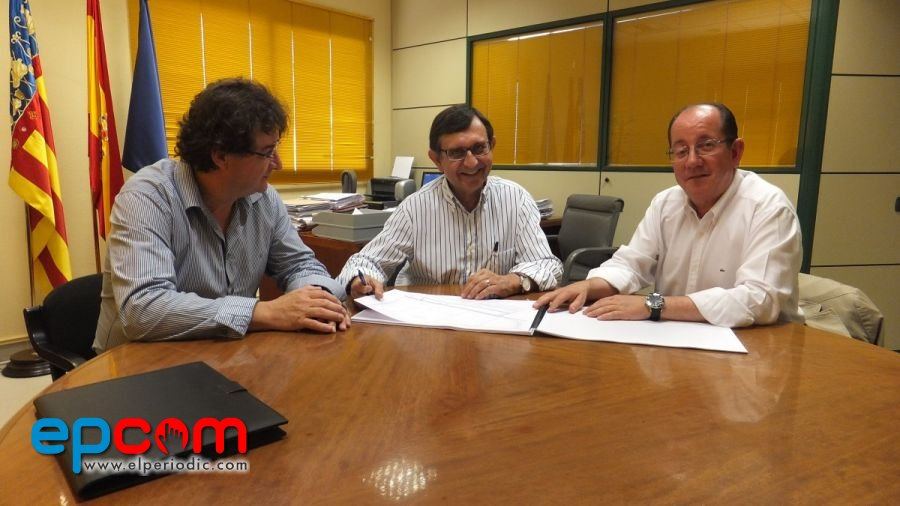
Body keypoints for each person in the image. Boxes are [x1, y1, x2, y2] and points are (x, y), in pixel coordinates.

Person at [94, 78, 348, 352]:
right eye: (267, 152)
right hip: (136, 362)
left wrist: (319, 301)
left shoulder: (263, 199)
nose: (278, 164)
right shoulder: (147, 197)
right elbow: (143, 309)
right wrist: (263, 312)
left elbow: (299, 265)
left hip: (223, 352)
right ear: (220, 156)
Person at [535, 103, 802, 327]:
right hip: (678, 339)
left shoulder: (768, 207)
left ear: (735, 152)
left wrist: (654, 305)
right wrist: (589, 286)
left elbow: (759, 299)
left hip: (759, 348)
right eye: (681, 151)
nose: (692, 161)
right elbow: (631, 264)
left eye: (706, 145)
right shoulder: (666, 204)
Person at [337, 104, 562, 300]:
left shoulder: (516, 199)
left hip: (496, 319)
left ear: (491, 145)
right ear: (436, 160)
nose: (472, 162)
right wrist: (361, 280)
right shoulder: (415, 209)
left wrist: (514, 280)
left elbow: (547, 263)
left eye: (479, 148)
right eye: (457, 153)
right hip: (429, 322)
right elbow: (365, 262)